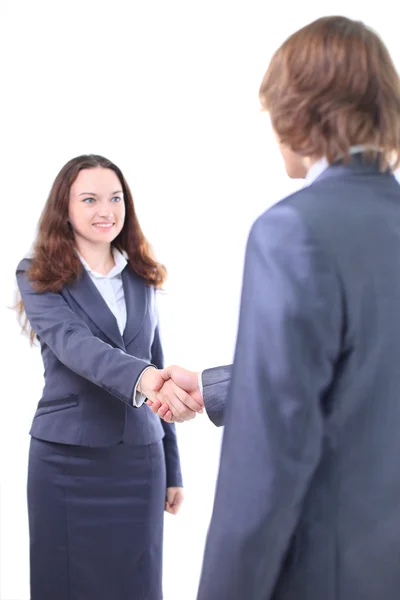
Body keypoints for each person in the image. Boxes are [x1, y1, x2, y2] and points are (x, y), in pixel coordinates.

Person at [150, 16, 400, 600]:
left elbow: (265, 464)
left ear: (298, 112)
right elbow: (368, 369)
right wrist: (214, 387)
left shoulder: (293, 231)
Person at [16, 154, 195, 600]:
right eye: (90, 199)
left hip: (140, 461)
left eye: (115, 198)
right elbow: (75, 345)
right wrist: (147, 378)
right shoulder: (37, 273)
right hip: (66, 463)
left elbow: (156, 355)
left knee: (138, 585)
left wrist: (173, 466)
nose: (106, 211)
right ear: (66, 207)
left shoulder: (141, 274)